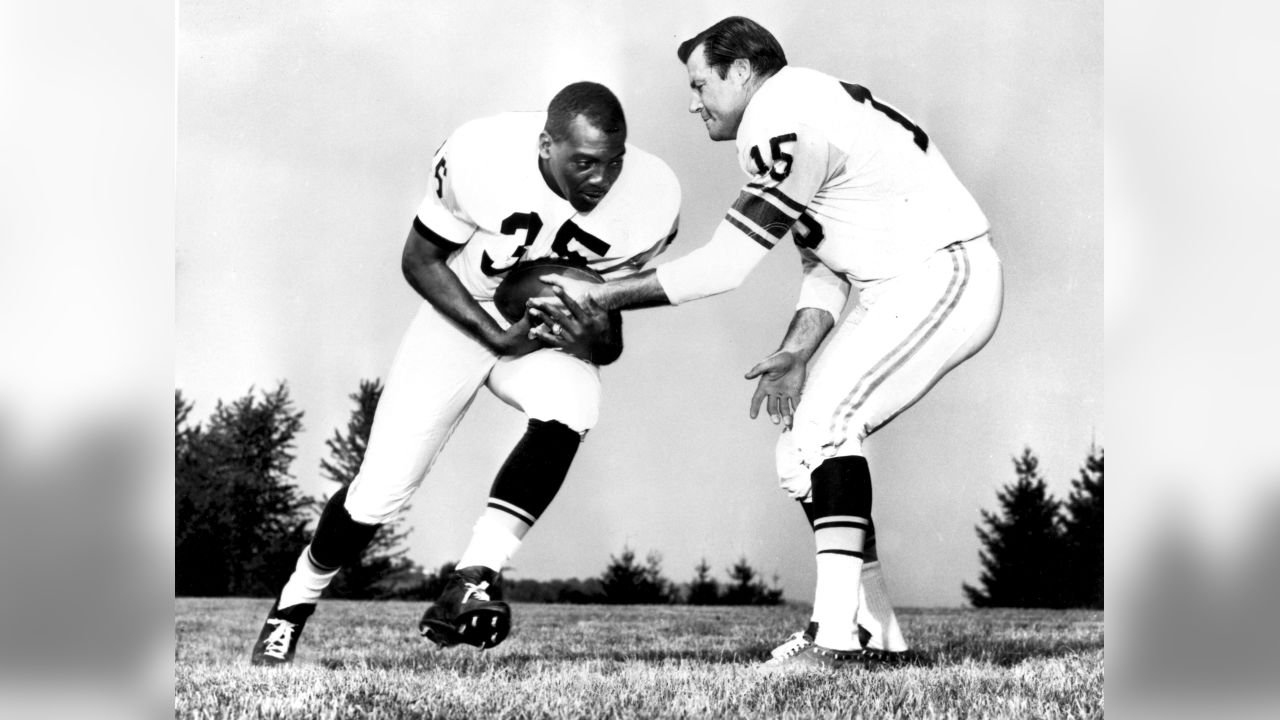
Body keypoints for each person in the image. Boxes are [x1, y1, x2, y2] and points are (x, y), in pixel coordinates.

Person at [539, 18, 1003, 670]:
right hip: (898, 284)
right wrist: (795, 351)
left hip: (942, 271)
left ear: (740, 70)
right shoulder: (799, 108)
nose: (692, 100)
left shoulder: (782, 117)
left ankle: (837, 640)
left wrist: (601, 294)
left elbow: (727, 263)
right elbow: (825, 263)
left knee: (828, 422)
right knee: (799, 451)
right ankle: (881, 637)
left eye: (700, 82)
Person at [250, 81, 681, 666]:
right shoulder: (484, 154)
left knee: (577, 403)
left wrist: (591, 336)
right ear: (545, 144)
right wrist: (491, 334)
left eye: (613, 163)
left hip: (537, 334)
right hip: (463, 315)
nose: (601, 180)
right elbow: (419, 260)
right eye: (584, 162)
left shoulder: (651, 199)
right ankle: (292, 606)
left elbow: (609, 338)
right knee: (377, 495)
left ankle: (474, 575)